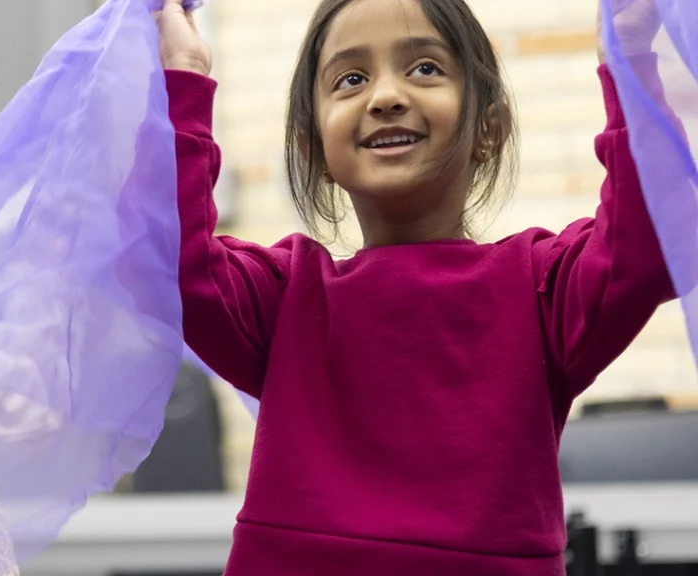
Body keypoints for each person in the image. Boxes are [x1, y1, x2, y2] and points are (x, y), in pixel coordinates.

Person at [156, 0, 671, 573]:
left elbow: (647, 245)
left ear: (489, 129)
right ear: (313, 147)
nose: (385, 96)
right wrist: (184, 70)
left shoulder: (542, 289)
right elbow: (172, 261)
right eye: (351, 79)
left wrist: (629, 62)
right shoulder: (284, 299)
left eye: (425, 68)